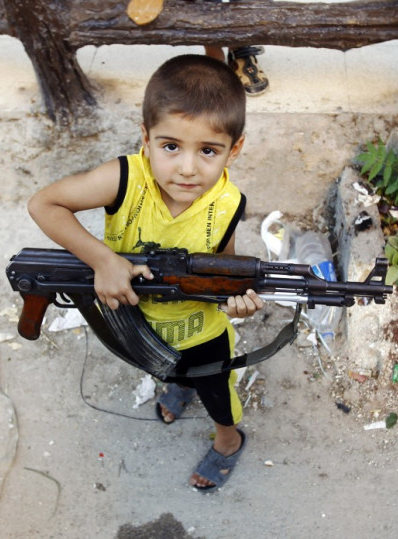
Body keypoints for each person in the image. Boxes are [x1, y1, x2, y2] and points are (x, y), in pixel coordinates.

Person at [27, 54, 263, 491]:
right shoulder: (125, 178)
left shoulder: (229, 203)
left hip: (201, 333)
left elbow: (223, 270)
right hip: (139, 324)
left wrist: (236, 301)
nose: (187, 168)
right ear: (146, 138)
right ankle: (177, 384)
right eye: (170, 146)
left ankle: (228, 442)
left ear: (235, 150)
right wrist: (102, 259)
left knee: (217, 396)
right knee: (165, 371)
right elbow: (44, 204)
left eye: (208, 151)